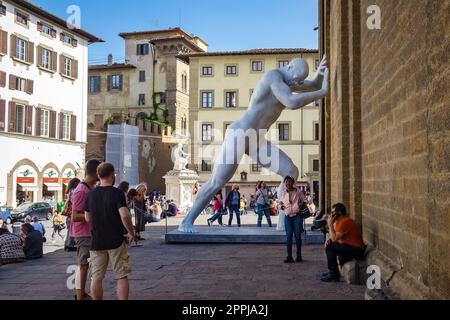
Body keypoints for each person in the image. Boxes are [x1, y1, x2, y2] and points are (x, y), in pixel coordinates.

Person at [178, 56, 329, 233]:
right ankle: (186, 222)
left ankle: (282, 222)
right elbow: (292, 101)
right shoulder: (273, 77)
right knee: (217, 182)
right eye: (296, 78)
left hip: (257, 140)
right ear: (288, 67)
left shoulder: (288, 81)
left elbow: (312, 85)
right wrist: (323, 91)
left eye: (300, 80)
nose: (297, 83)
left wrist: (320, 76)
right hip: (240, 134)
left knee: (291, 171)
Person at [84, 163, 137, 300]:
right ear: (113, 174)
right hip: (115, 241)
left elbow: (87, 217)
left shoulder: (91, 194)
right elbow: (124, 215)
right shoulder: (117, 193)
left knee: (96, 277)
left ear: (98, 175)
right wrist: (131, 232)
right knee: (121, 275)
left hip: (97, 241)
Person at [71, 159, 101, 301]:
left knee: (85, 265)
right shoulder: (82, 190)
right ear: (96, 173)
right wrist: (92, 215)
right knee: (83, 265)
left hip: (88, 232)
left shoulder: (89, 189)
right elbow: (75, 216)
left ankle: (81, 293)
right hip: (83, 234)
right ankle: (80, 295)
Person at [322, 203, 366, 282]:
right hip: (349, 246)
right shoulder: (340, 221)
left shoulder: (345, 221)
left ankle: (334, 275)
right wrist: (328, 240)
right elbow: (333, 236)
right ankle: (332, 272)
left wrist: (330, 225)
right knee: (330, 245)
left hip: (356, 250)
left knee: (330, 248)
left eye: (333, 213)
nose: (331, 215)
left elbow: (335, 238)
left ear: (339, 213)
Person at [278, 176, 307, 263]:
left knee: (297, 236)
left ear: (293, 182)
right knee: (289, 236)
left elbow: (305, 200)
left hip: (297, 216)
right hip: (288, 217)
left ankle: (299, 256)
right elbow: (279, 203)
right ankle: (289, 256)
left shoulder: (298, 192)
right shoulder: (283, 193)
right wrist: (281, 206)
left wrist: (301, 204)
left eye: (289, 181)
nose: (288, 183)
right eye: (286, 182)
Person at [63, 178, 80, 252]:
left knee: (69, 229)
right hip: (72, 213)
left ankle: (67, 244)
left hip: (69, 213)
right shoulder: (74, 191)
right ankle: (69, 245)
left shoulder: (69, 191)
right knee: (71, 229)